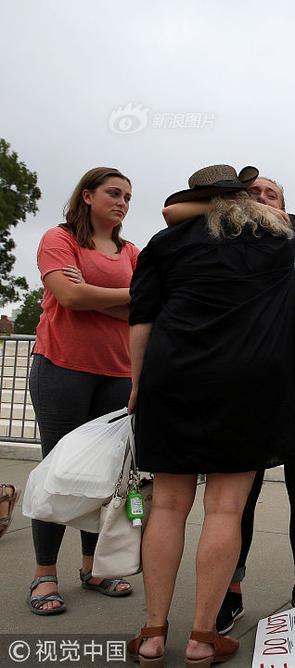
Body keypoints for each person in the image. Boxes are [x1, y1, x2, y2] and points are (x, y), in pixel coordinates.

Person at [127, 165, 295, 667]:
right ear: (238, 197)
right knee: (225, 510)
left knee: (167, 506)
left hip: (173, 376)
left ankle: (151, 633)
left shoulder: (164, 244)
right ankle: (202, 638)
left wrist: (138, 384)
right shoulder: (276, 236)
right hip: (247, 382)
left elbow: (142, 319)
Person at [161, 176, 295, 633]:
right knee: (239, 494)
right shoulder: (232, 242)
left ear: (286, 206)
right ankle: (232, 589)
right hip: (254, 383)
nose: (262, 200)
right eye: (252, 195)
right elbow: (174, 213)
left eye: (272, 194)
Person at [28, 167, 138, 615]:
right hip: (62, 369)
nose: (123, 202)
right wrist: (123, 298)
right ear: (87, 196)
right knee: (59, 472)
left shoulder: (132, 250)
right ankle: (43, 575)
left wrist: (91, 295)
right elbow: (68, 299)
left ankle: (94, 567)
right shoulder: (60, 239)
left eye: (129, 197)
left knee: (106, 476)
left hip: (118, 373)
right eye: (114, 193)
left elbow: (148, 307)